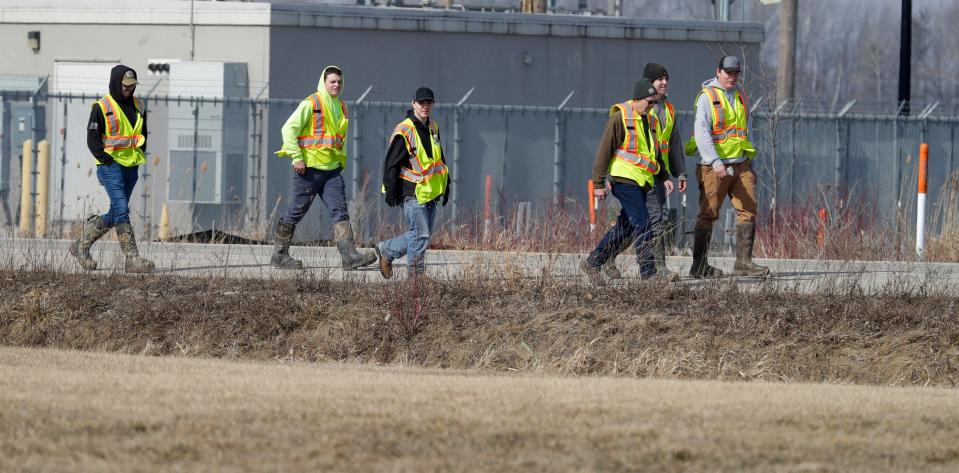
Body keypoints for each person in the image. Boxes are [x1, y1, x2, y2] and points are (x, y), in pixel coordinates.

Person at [272, 65, 376, 271]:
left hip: (331, 172)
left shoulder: (342, 107)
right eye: (332, 82)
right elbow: (288, 130)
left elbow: (338, 140)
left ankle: (350, 257)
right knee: (296, 211)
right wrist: (297, 158)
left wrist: (339, 164)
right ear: (324, 82)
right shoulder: (311, 103)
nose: (336, 85)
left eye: (339, 82)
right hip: (307, 171)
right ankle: (279, 255)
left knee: (340, 212)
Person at [600, 63, 687, 282]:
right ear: (648, 84)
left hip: (654, 175)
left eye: (666, 78)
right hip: (629, 176)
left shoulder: (668, 110)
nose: (664, 82)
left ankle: (656, 268)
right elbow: (610, 147)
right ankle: (608, 258)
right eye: (659, 79)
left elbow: (672, 144)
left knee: (651, 220)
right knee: (633, 223)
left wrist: (677, 173)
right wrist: (602, 180)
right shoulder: (629, 112)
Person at [684, 55, 769, 278]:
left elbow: (746, 131)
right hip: (714, 167)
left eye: (735, 73)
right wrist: (715, 161)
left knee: (748, 210)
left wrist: (749, 162)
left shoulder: (741, 96)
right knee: (708, 213)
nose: (732, 77)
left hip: (741, 164)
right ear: (718, 71)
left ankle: (743, 263)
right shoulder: (707, 97)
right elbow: (702, 133)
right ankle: (699, 266)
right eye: (728, 72)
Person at [69, 65, 154, 273]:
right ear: (116, 83)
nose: (128, 89)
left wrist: (139, 152)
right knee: (123, 209)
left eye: (132, 86)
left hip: (131, 166)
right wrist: (105, 160)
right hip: (111, 166)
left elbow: (142, 134)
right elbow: (92, 139)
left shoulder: (139, 106)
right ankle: (132, 259)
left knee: (116, 211)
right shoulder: (102, 106)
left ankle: (81, 246)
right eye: (125, 86)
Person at [580, 79, 660, 285]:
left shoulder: (650, 121)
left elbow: (652, 155)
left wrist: (665, 177)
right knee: (643, 223)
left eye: (654, 103)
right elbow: (603, 151)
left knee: (626, 226)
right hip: (623, 180)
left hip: (641, 181)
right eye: (649, 102)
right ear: (637, 99)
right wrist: (598, 183)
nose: (652, 106)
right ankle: (649, 274)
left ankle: (594, 262)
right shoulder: (620, 117)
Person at [374, 87, 450, 279]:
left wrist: (446, 184)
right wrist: (391, 190)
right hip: (411, 190)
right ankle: (416, 279)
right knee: (421, 235)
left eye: (429, 103)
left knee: (420, 235)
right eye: (421, 102)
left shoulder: (433, 127)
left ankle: (387, 250)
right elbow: (391, 162)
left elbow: (438, 158)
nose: (425, 106)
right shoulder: (405, 130)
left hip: (430, 191)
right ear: (413, 103)